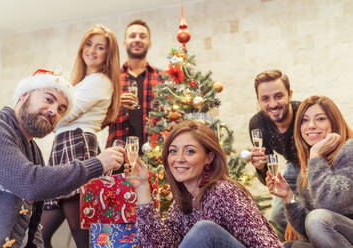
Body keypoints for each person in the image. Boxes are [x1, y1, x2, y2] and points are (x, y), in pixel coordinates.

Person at [0, 70, 124, 248]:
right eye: (49, 99)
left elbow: (33, 226)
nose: (53, 111)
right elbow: (30, 182)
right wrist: (98, 163)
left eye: (61, 109)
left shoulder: (34, 152)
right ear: (24, 95)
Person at [125, 120, 282, 248]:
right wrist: (142, 187)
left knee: (205, 230)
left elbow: (268, 244)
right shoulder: (184, 202)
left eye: (190, 151)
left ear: (209, 157)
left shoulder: (224, 192)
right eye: (173, 151)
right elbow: (158, 245)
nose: (179, 159)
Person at [40, 25, 121, 248]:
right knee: (39, 235)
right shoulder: (83, 82)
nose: (92, 51)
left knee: (81, 234)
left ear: (108, 54)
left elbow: (64, 114)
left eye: (100, 47)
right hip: (66, 146)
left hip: (77, 146)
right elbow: (59, 116)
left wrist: (52, 103)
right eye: (88, 44)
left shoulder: (100, 81)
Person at [266, 95, 353, 248]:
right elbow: (308, 229)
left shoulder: (349, 150)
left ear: (334, 123)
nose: (310, 125)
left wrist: (315, 157)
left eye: (320, 119)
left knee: (317, 218)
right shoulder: (311, 166)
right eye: (304, 120)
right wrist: (288, 197)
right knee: (289, 246)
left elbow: (332, 205)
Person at [249, 69, 301, 240]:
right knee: (277, 218)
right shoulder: (257, 124)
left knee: (304, 214)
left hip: (315, 166)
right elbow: (270, 179)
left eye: (278, 96)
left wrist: (294, 214)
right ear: (258, 101)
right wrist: (261, 167)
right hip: (293, 167)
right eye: (265, 98)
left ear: (289, 95)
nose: (272, 104)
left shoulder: (304, 113)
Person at [106, 19, 164, 162]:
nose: (137, 39)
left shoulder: (163, 78)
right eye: (132, 36)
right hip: (117, 158)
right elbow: (98, 122)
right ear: (124, 43)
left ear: (149, 43)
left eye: (142, 36)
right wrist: (115, 108)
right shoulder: (111, 79)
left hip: (156, 157)